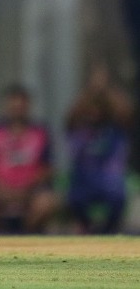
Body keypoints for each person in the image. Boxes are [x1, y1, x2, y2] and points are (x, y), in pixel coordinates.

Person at [0, 84, 59, 233]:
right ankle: (2, 235)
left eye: (20, 105)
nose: (17, 109)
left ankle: (26, 235)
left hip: (31, 193)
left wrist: (26, 190)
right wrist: (0, 191)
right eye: (12, 105)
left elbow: (47, 168)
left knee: (47, 202)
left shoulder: (40, 132)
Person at [65, 59, 132, 234]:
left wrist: (105, 88)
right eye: (91, 109)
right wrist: (91, 90)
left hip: (110, 179)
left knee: (118, 196)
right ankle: (87, 229)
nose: (95, 112)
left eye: (99, 108)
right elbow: (70, 118)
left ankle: (109, 231)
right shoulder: (79, 128)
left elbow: (126, 112)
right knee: (74, 197)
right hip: (84, 178)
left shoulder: (115, 128)